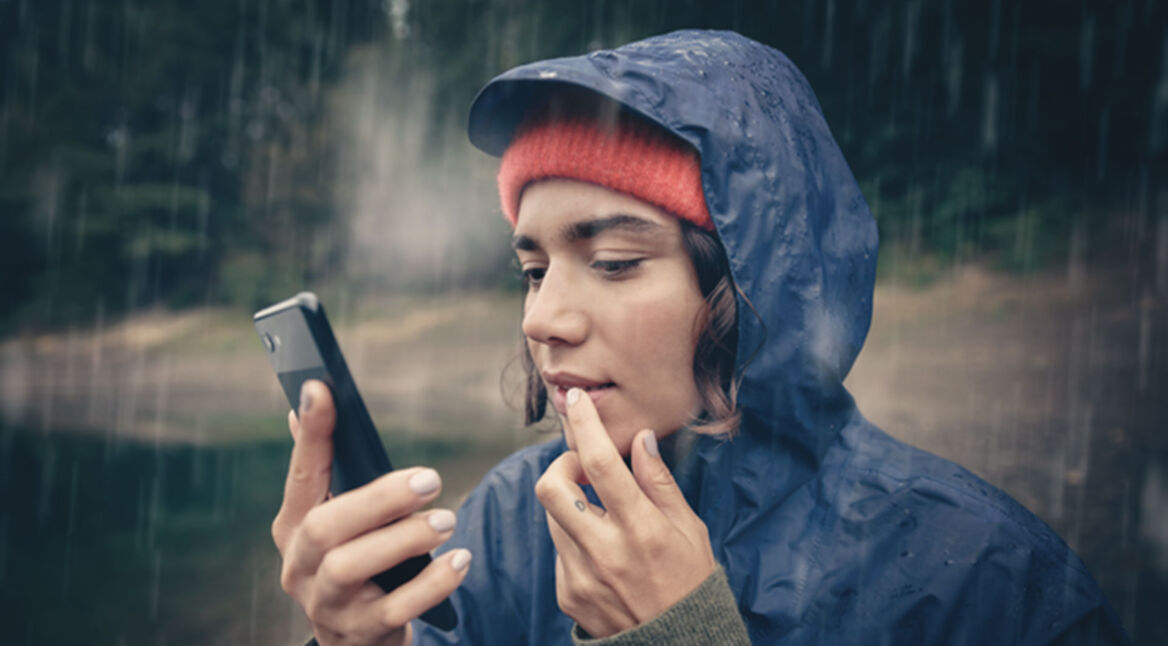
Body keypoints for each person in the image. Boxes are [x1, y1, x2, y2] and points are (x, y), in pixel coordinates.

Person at [271, 30, 1131, 645]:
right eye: (532, 270)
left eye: (612, 262)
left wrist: (688, 635)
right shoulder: (508, 527)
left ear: (751, 287)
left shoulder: (987, 584)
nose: (541, 318)